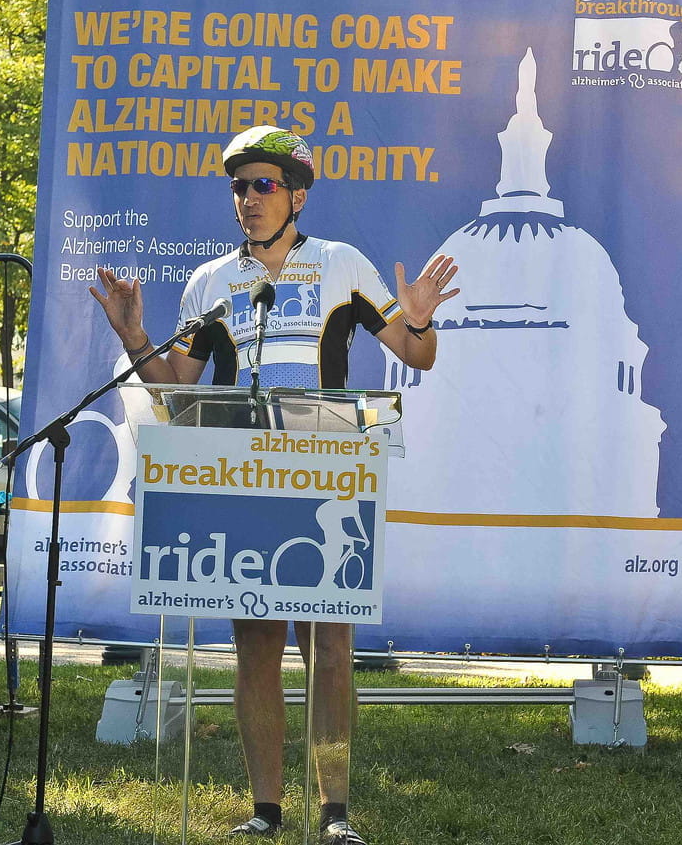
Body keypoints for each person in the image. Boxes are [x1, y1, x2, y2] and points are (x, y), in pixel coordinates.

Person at [90, 125, 459, 845]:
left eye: (263, 185)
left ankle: (336, 812)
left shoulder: (341, 263)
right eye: (238, 186)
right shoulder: (210, 281)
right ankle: (266, 809)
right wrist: (137, 338)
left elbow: (418, 354)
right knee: (255, 644)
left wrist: (421, 318)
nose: (248, 198)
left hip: (327, 477)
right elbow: (174, 396)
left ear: (296, 194)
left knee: (330, 649)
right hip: (242, 478)